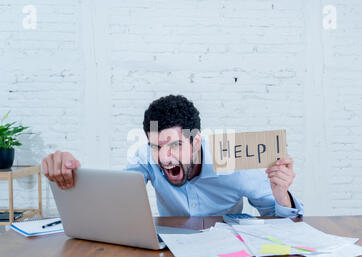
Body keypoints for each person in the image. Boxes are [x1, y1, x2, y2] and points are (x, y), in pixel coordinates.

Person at [42, 95, 303, 217]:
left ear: (197, 140)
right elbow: (113, 199)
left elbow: (275, 217)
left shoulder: (231, 157)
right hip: (172, 256)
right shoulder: (146, 156)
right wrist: (71, 174)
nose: (165, 158)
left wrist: (281, 194)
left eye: (176, 145)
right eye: (156, 146)